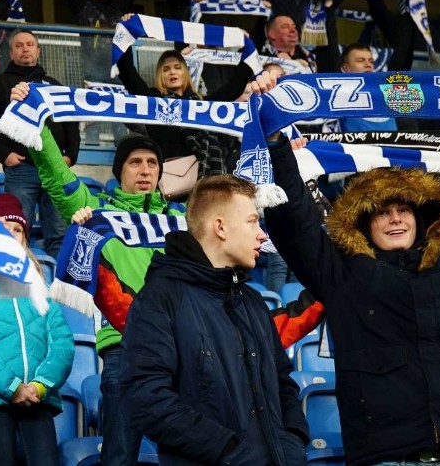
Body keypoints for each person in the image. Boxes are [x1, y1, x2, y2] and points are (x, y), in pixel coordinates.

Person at [263, 127, 440, 465]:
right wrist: (277, 148)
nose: (394, 218)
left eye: (403, 210)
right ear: (364, 221)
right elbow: (294, 224)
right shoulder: (343, 274)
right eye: (382, 211)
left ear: (420, 217)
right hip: (388, 455)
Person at [10, 83, 186, 466]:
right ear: (120, 171)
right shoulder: (97, 210)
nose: (145, 170)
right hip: (123, 347)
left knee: (183, 453)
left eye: (152, 163)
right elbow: (57, 175)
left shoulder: (179, 220)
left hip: (179, 348)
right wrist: (36, 122)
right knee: (120, 454)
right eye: (135, 163)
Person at [119, 175, 309, 465]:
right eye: (252, 221)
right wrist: (228, 450)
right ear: (220, 227)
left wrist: (293, 441)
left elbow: (283, 382)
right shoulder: (160, 298)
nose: (262, 235)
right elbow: (146, 397)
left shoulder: (253, 301)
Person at [0, 193, 74, 466]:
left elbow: (63, 344)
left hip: (37, 397)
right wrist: (12, 387)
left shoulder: (40, 291)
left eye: (17, 229)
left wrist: (40, 385)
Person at [0, 29, 80, 258]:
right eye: (19, 45)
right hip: (21, 170)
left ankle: (55, 290)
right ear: (11, 52)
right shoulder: (0, 85)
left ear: (38, 51)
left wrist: (70, 156)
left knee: (59, 234)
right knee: (18, 229)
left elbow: (71, 123)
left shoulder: (54, 85)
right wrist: (5, 155)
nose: (25, 48)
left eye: (30, 44)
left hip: (55, 170)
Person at [116, 16, 255, 174]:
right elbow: (128, 73)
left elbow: (235, 86)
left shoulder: (203, 104)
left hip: (204, 183)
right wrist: (126, 31)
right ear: (159, 75)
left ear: (186, 72)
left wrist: (244, 42)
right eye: (166, 69)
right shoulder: (153, 100)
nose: (172, 72)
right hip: (168, 183)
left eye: (177, 67)